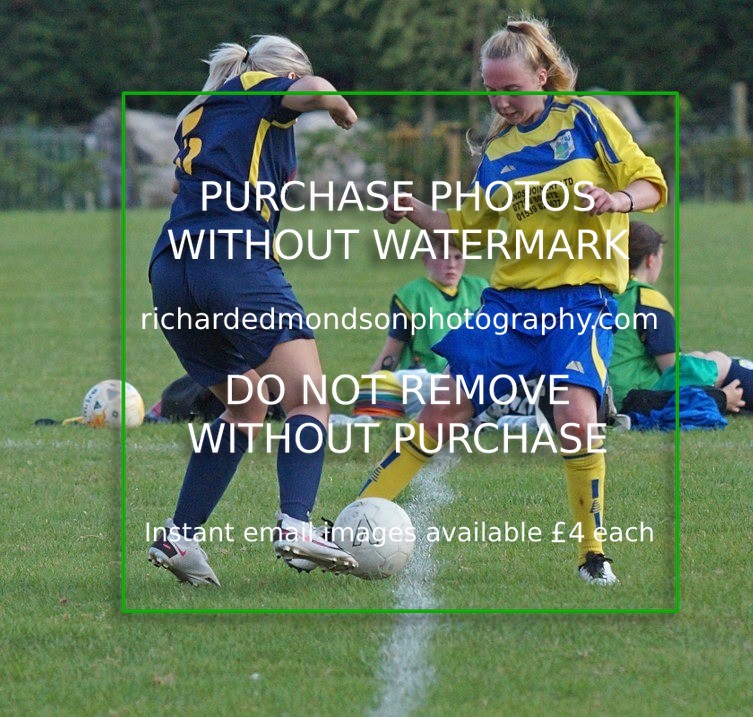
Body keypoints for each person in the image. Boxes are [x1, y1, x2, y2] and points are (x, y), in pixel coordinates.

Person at [357, 16, 668, 586]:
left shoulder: (587, 117)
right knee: (445, 408)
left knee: (576, 416)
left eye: (512, 88)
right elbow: (465, 230)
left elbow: (651, 182)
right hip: (510, 304)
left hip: (581, 301)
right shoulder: (497, 151)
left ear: (543, 75)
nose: (501, 101)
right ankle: (352, 525)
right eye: (492, 90)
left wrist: (616, 198)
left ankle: (593, 553)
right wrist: (413, 210)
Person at [146, 35, 360, 586]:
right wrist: (336, 103)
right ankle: (296, 524)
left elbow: (181, 181)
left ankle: (179, 534)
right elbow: (313, 90)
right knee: (308, 399)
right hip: (231, 261)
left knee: (245, 407)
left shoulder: (204, 110)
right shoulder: (258, 88)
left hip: (173, 267)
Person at [609, 221, 753, 416]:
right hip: (632, 396)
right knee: (719, 363)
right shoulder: (648, 300)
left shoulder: (603, 291)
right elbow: (672, 368)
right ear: (651, 260)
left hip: (603, 392)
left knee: (700, 358)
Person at [354, 239, 488, 418]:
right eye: (443, 257)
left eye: (458, 257)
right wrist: (368, 397)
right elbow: (390, 356)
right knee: (409, 382)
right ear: (425, 259)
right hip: (431, 381)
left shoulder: (481, 289)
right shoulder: (411, 295)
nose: (452, 265)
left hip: (476, 378)